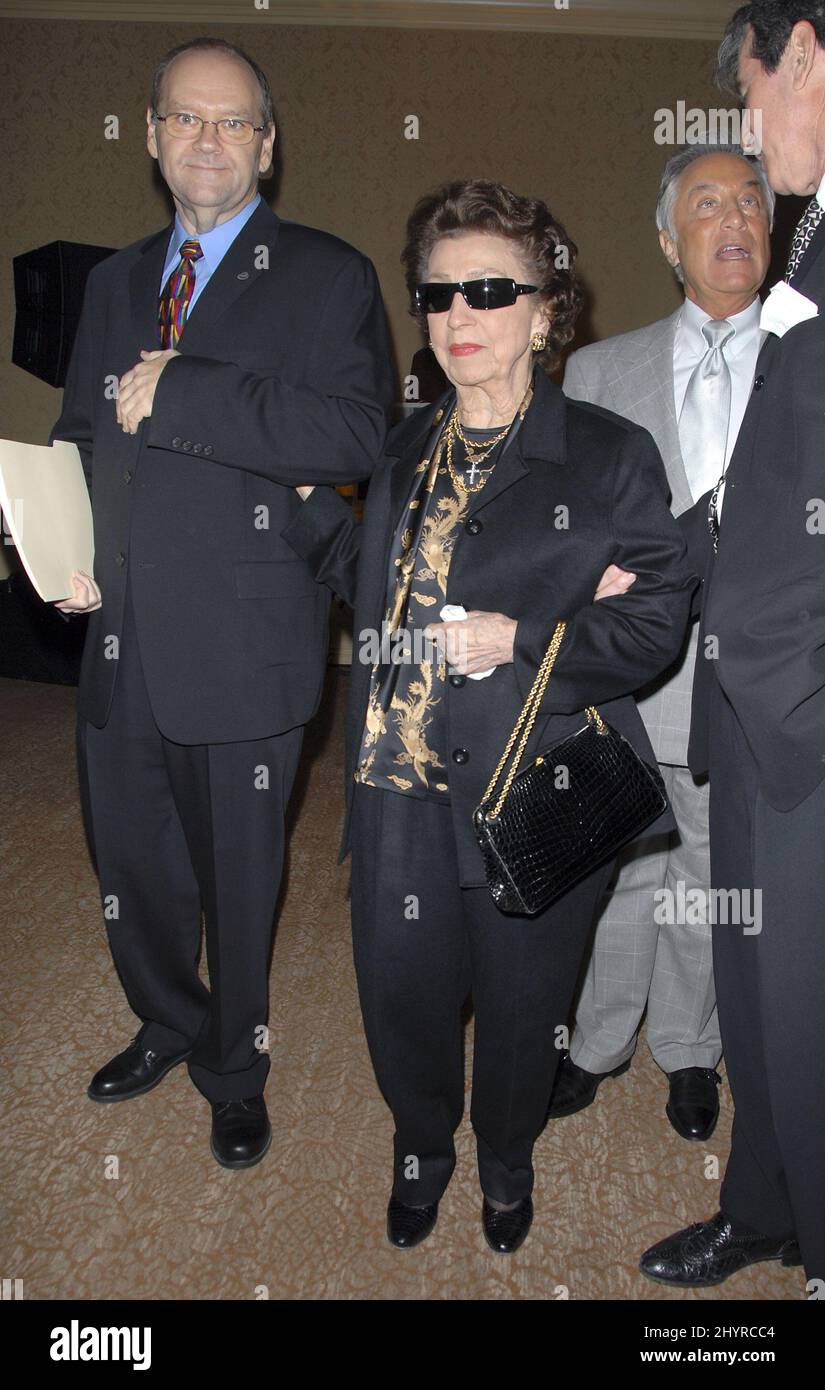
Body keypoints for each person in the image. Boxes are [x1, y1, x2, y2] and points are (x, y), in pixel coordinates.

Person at [281, 179, 695, 1253]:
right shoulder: (403, 445)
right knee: (402, 998)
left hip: (533, 785)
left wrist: (525, 636)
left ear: (547, 309)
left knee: (523, 1009)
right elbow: (364, 572)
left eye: (488, 291)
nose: (457, 317)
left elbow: (657, 619)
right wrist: (295, 508)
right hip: (395, 788)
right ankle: (422, 1147)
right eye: (436, 295)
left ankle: (506, 1161)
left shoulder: (606, 456)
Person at [49, 36, 394, 1168]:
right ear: (151, 138)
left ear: (268, 145)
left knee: (240, 880)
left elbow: (356, 434)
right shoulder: (110, 282)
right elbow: (81, 436)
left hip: (246, 642)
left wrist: (187, 390)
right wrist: (47, 528)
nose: (207, 139)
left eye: (233, 120)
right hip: (119, 630)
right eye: (185, 120)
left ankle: (232, 1064)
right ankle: (168, 1015)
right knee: (131, 866)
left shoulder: (326, 275)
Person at [641, 1, 825, 1287]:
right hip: (757, 705)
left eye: (752, 98)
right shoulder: (816, 236)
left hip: (812, 710)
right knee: (764, 1004)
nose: (753, 149)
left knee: (813, 1013)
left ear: (800, 53)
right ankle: (769, 1203)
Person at [551, 144, 773, 1142]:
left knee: (713, 875)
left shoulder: (810, 361)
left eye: (751, 203)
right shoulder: (600, 368)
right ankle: (597, 1041)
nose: (733, 219)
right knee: (625, 863)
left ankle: (690, 1049)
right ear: (667, 239)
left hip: (760, 677)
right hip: (635, 673)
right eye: (706, 204)